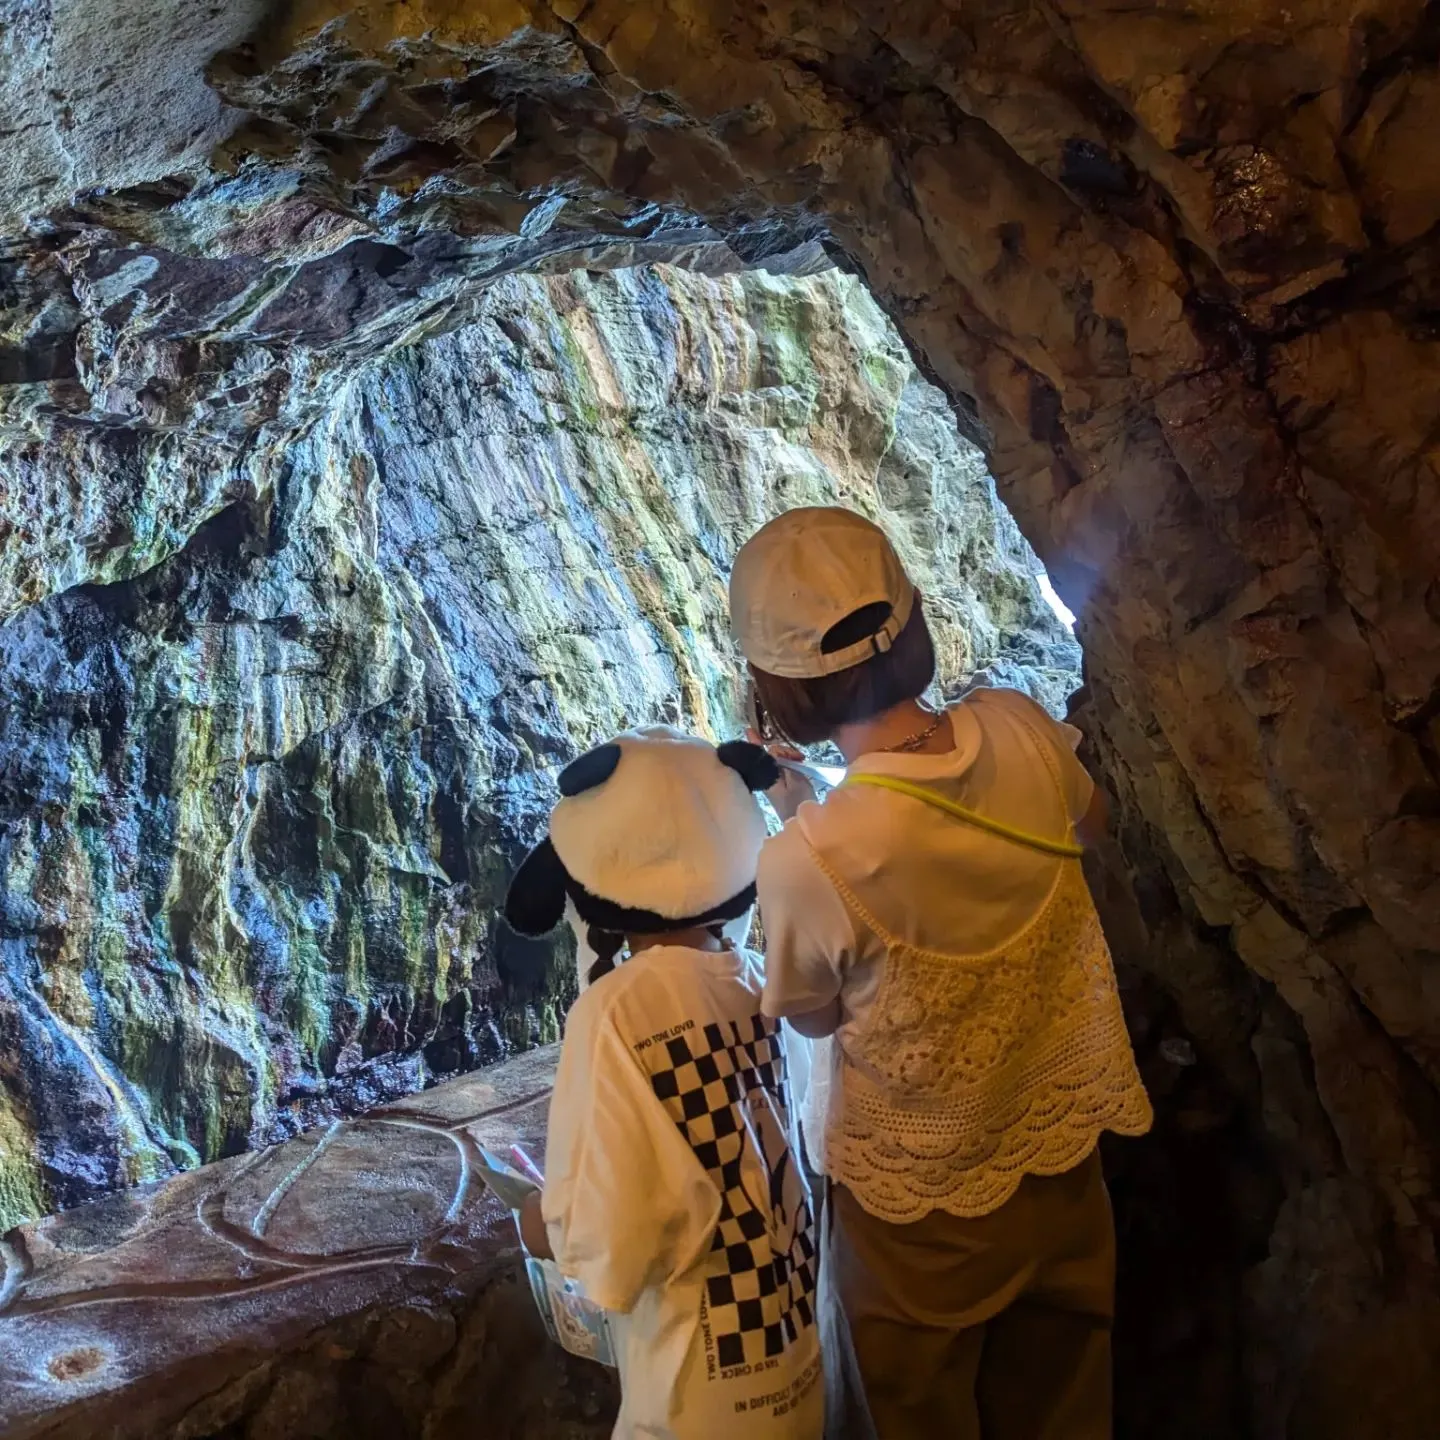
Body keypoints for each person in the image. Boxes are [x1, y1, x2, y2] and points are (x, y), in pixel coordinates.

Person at [728, 507, 1153, 1440]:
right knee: (1068, 1406)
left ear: (779, 695)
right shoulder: (1022, 727)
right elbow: (1090, 824)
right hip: (1062, 1151)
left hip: (920, 1212)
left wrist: (805, 817)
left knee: (916, 1416)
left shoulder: (809, 860)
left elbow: (806, 1014)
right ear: (913, 626)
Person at [503, 726, 825, 1440]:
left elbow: (613, 1239)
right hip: (798, 1367)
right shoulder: (759, 984)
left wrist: (542, 1224)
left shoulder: (614, 1015)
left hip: (696, 1396)